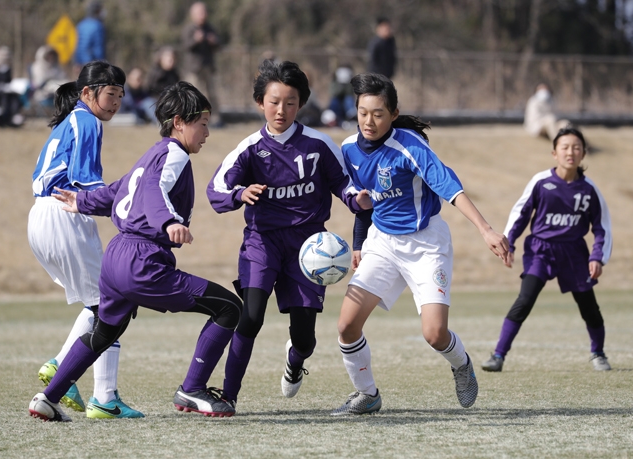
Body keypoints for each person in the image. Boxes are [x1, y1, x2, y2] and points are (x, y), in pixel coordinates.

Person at [29, 81, 243, 422]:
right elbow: (154, 194)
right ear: (179, 122)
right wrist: (167, 223)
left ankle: (48, 397)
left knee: (103, 333)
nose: (206, 132)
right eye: (202, 124)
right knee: (230, 308)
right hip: (142, 260)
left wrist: (82, 200)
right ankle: (193, 388)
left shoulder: (153, 153)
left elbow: (118, 189)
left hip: (116, 259)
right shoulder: (173, 154)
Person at [330, 73, 510, 416]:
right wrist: (358, 244)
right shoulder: (348, 149)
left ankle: (461, 365)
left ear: (394, 114)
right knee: (346, 325)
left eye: (378, 113)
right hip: (382, 243)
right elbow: (363, 203)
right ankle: (367, 394)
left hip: (426, 244)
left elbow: (449, 187)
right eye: (363, 112)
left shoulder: (409, 146)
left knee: (434, 333)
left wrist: (486, 230)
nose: (369, 121)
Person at [207, 59, 372, 410]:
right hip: (262, 242)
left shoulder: (318, 144)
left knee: (305, 338)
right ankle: (229, 397)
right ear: (259, 103)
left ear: (301, 104)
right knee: (249, 317)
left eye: (290, 102)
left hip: (308, 247)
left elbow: (343, 184)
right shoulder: (249, 147)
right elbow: (216, 190)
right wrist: (240, 194)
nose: (281, 110)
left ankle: (295, 363)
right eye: (274, 101)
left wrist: (355, 198)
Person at [28, 60, 143, 419]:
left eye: (122, 96)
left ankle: (61, 366)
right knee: (112, 304)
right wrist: (125, 204)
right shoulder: (87, 120)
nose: (116, 102)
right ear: (88, 93)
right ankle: (103, 397)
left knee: (98, 303)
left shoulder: (71, 121)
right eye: (111, 93)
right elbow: (84, 181)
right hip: (65, 215)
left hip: (41, 218)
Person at [481, 126, 613, 373]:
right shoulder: (541, 182)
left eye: (576, 147)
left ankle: (598, 353)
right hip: (540, 250)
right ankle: (498, 356)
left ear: (583, 153)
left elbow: (601, 226)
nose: (570, 152)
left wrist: (598, 257)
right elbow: (520, 214)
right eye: (565, 147)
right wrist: (509, 244)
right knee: (525, 299)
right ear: (554, 153)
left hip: (575, 253)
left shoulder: (589, 189)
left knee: (589, 307)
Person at [182, 2, 222, 126]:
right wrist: (196, 40)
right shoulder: (189, 29)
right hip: (194, 68)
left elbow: (219, 46)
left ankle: (214, 119)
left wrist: (213, 42)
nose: (202, 15)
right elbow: (185, 47)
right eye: (199, 13)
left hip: (208, 67)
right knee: (194, 94)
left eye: (204, 12)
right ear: (192, 15)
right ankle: (194, 119)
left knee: (212, 94)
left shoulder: (209, 28)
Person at [0, 45, 25, 127]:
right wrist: (1, 87)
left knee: (14, 95)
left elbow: (9, 81)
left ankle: (14, 117)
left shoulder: (8, 69)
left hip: (5, 92)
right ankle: (3, 117)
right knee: (5, 96)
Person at [321, 65, 356, 129]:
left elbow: (350, 93)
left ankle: (352, 118)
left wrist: (347, 84)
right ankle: (333, 119)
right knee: (334, 100)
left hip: (346, 106)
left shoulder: (350, 83)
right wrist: (340, 85)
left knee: (348, 99)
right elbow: (334, 93)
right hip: (337, 105)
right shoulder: (334, 82)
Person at [73, 1, 106, 68]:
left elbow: (77, 45)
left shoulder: (81, 24)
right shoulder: (98, 25)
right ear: (97, 11)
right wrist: (102, 64)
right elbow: (98, 48)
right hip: (93, 63)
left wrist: (77, 62)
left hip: (80, 62)